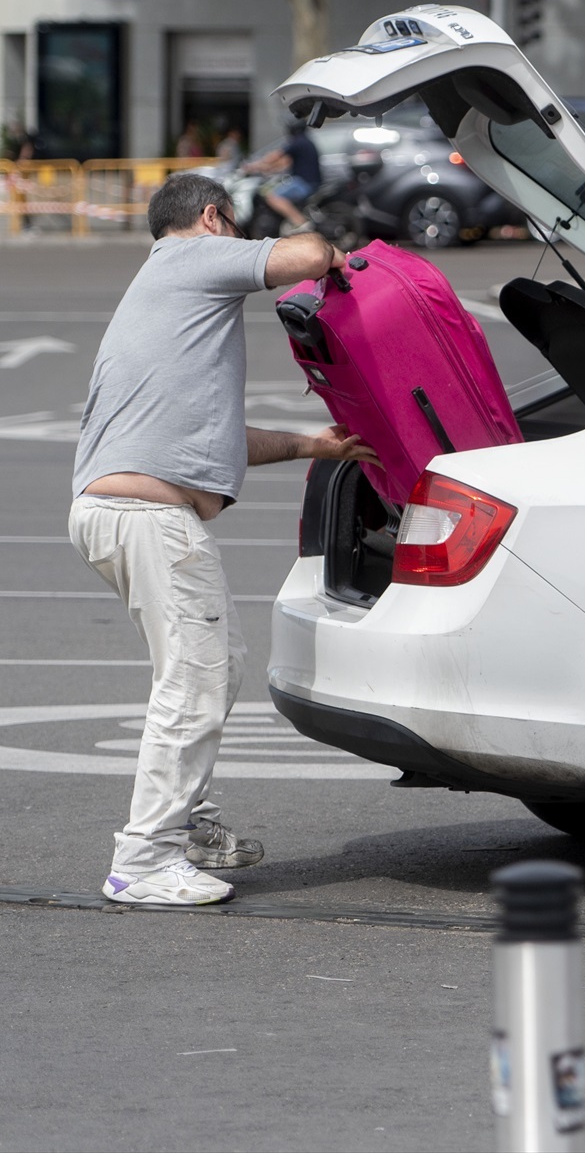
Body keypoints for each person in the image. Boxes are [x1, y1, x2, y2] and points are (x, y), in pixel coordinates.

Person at [69, 172, 377, 906]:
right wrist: (333, 253)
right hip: (148, 519)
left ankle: (190, 823)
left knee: (199, 667)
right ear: (212, 218)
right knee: (201, 676)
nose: (238, 238)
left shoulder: (167, 296)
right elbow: (301, 258)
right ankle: (144, 860)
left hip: (118, 511)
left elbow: (215, 441)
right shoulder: (190, 255)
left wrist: (312, 446)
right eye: (235, 225)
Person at [246, 117, 323, 233]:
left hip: (304, 183)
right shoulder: (305, 142)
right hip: (309, 181)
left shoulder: (297, 142)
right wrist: (267, 169)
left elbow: (275, 156)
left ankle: (301, 222)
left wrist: (252, 166)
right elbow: (284, 163)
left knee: (273, 196)